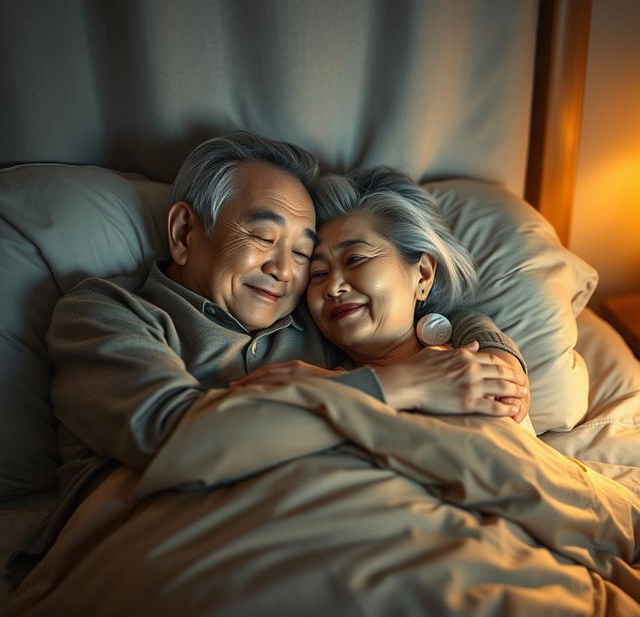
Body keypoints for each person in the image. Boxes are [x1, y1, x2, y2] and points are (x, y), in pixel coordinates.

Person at [9, 131, 528, 588]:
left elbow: (410, 319)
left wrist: (492, 351)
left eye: (302, 254)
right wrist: (396, 385)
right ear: (185, 233)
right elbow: (171, 436)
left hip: (339, 531)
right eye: (263, 237)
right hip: (156, 538)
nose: (285, 271)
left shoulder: (313, 317)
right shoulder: (107, 312)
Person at [231, 166, 534, 432]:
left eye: (356, 259)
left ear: (424, 274)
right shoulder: (320, 386)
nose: (333, 287)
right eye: (318, 273)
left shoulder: (472, 363)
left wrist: (492, 344)